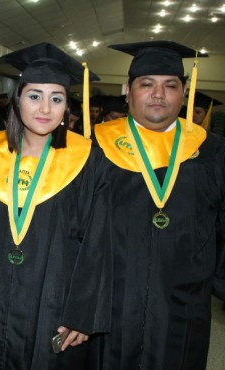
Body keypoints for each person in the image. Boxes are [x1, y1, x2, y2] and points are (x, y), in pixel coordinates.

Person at [0, 42, 111, 370]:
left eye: (57, 98)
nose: (45, 108)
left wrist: (82, 314)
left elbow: (98, 244)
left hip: (53, 302)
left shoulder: (88, 160)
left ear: (67, 107)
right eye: (35, 95)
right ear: (17, 99)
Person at [92, 40, 225, 370]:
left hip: (183, 306)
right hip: (108, 305)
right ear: (128, 90)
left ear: (183, 92)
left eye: (170, 85)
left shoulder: (211, 151)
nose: (158, 94)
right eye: (146, 84)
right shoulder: (94, 148)